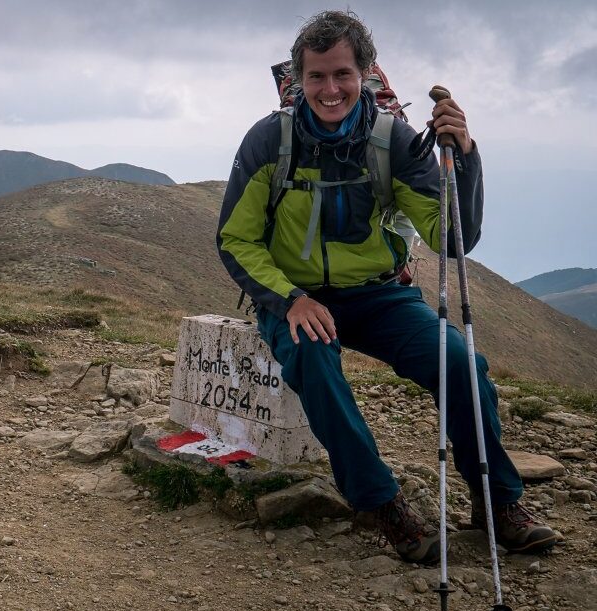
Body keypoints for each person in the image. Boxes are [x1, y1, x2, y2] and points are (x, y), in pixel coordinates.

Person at [216, 10, 562, 563]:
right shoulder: (270, 141)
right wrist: (290, 300)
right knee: (314, 363)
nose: (330, 89)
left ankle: (497, 501)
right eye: (317, 77)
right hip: (296, 296)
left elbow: (452, 239)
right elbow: (237, 239)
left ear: (366, 75)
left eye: (342, 75)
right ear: (298, 82)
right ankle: (383, 503)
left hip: (379, 295)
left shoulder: (394, 141)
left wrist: (465, 157)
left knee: (458, 361)